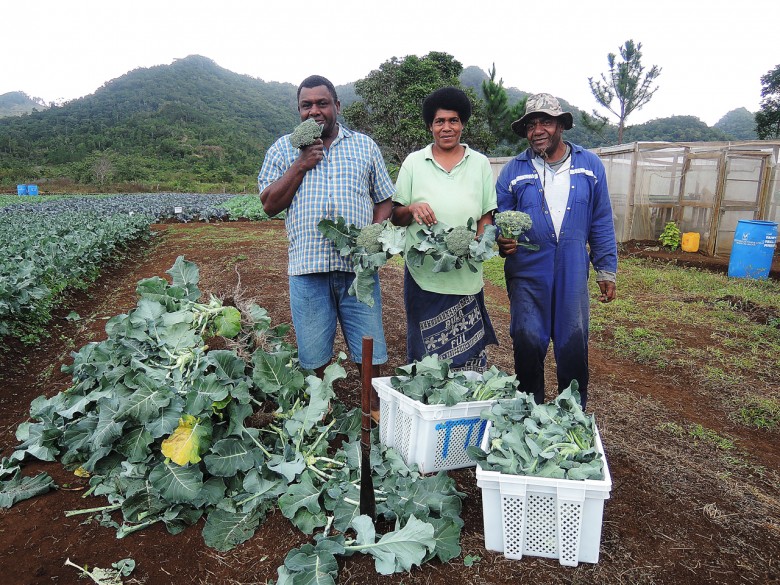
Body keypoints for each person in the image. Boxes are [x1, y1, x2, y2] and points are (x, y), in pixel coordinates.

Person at [258, 75, 394, 405]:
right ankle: (319, 419)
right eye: (307, 105)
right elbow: (269, 205)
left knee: (370, 352)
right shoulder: (282, 149)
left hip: (357, 271)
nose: (314, 111)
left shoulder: (365, 146)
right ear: (299, 110)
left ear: (337, 105)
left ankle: (371, 417)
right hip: (308, 270)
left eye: (322, 103)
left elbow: (385, 199)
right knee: (314, 356)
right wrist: (300, 164)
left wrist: (374, 234)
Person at [495, 93, 617, 409]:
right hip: (526, 269)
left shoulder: (589, 166)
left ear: (560, 125)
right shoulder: (513, 171)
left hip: (573, 267)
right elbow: (500, 219)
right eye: (531, 124)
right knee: (526, 338)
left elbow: (601, 218)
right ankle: (527, 413)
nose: (538, 130)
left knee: (573, 341)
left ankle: (571, 416)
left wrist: (605, 268)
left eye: (546, 122)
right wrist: (502, 239)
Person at [391, 87, 498, 371]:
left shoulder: (480, 164)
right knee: (425, 361)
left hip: (465, 278)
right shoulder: (414, 162)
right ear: (430, 126)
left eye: (453, 120)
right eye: (440, 121)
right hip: (423, 277)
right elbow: (395, 215)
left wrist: (478, 243)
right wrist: (412, 209)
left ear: (462, 124)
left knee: (467, 363)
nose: (446, 127)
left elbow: (486, 217)